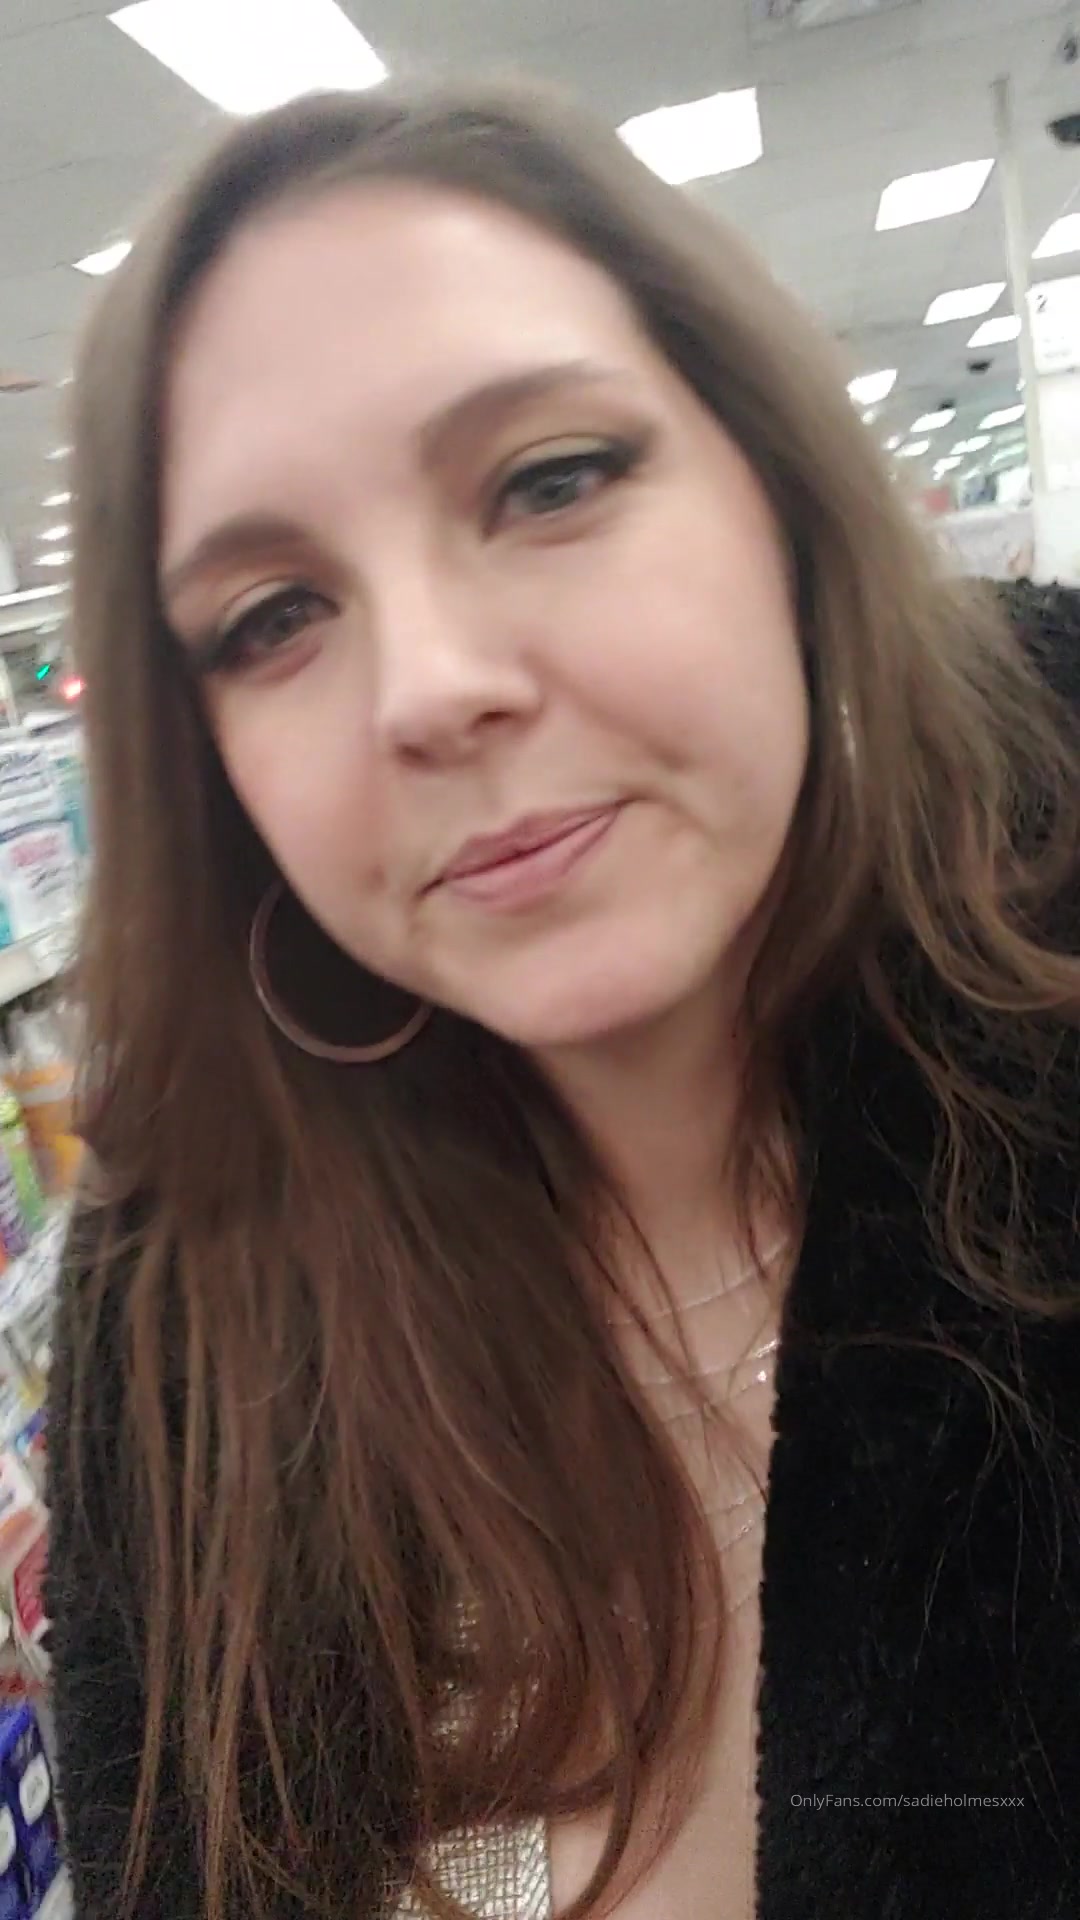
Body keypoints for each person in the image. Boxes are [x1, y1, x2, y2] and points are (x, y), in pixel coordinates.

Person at [45, 80, 1080, 1920]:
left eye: (550, 481)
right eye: (273, 616)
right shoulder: (188, 1328)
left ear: (780, 491)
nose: (429, 689)